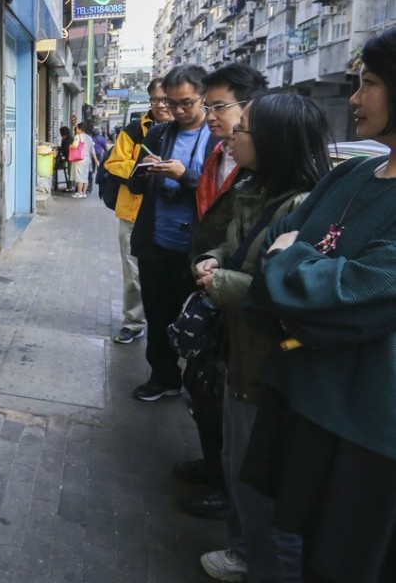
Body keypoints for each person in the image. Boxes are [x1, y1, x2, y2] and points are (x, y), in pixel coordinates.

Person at [240, 29, 396, 582]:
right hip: (303, 394)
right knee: (288, 533)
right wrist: (301, 279)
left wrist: (292, 270)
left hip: (364, 425)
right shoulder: (354, 173)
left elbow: (361, 300)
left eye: (371, 84)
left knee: (340, 563)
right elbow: (276, 243)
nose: (354, 99)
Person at [193, 94, 330, 583]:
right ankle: (244, 551)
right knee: (238, 464)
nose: (231, 134)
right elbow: (237, 248)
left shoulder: (301, 207)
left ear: (273, 141)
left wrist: (223, 283)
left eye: (243, 129)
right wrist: (212, 258)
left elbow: (288, 287)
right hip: (240, 351)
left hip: (267, 365)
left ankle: (263, 562)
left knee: (260, 482)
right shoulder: (255, 189)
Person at [176, 64, 269, 522]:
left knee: (224, 391)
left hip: (236, 301)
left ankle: (227, 487)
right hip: (210, 279)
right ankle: (213, 463)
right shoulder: (221, 154)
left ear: (248, 106)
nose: (211, 115)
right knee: (203, 382)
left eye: (218, 106)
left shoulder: (266, 170)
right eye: (207, 105)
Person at [127, 64, 215, 401]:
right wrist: (145, 171)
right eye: (171, 103)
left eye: (186, 103)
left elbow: (220, 189)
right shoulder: (159, 134)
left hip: (196, 248)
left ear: (203, 98)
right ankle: (163, 376)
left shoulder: (217, 137)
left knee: (197, 320)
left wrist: (184, 175)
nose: (178, 110)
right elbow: (133, 181)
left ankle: (199, 384)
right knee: (157, 314)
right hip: (156, 241)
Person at [104, 78, 173, 345]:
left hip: (170, 214)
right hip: (133, 212)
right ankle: (133, 322)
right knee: (133, 274)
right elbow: (114, 163)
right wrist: (141, 166)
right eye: (156, 100)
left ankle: (170, 324)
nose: (161, 105)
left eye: (166, 100)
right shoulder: (134, 130)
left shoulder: (187, 131)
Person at [70, 123, 97, 199]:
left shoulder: (78, 136)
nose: (76, 129)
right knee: (85, 176)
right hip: (87, 159)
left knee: (79, 176)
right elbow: (92, 150)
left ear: (80, 129)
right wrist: (96, 160)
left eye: (77, 128)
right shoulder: (89, 138)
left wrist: (70, 146)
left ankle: (79, 193)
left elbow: (75, 145)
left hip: (80, 158)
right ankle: (84, 193)